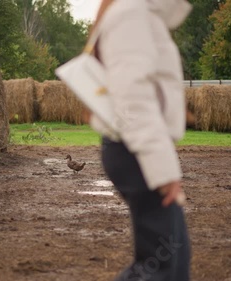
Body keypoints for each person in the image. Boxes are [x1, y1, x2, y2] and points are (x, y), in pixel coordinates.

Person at [87, 0, 192, 280]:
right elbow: (132, 98)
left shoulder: (139, 13)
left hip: (136, 148)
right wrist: (163, 171)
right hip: (134, 150)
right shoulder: (130, 13)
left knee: (172, 259)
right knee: (161, 268)